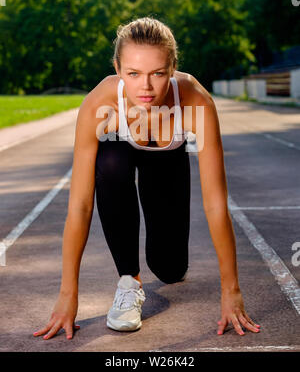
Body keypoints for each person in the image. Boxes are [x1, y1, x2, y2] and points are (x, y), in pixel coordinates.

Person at [33, 17, 260, 340]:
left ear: (173, 67)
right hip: (120, 153)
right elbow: (81, 206)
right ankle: (129, 281)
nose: (146, 87)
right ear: (117, 68)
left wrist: (231, 290)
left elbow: (215, 203)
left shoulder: (195, 101)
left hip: (167, 162)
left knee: (169, 268)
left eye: (158, 73)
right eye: (133, 73)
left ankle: (167, 264)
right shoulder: (101, 103)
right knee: (109, 160)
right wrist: (68, 295)